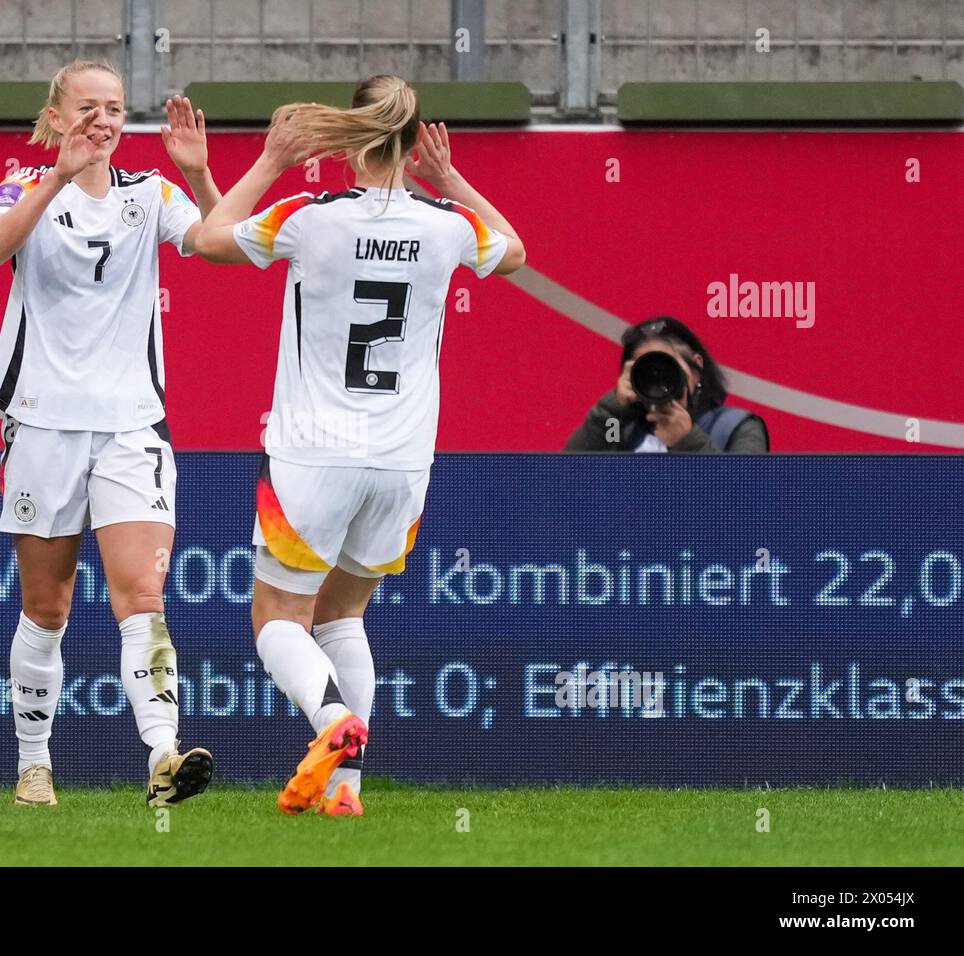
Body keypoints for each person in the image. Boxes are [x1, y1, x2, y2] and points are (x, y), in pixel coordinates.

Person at [194, 75, 525, 816]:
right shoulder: (448, 225)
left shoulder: (313, 216)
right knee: (344, 616)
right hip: (402, 459)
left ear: (352, 141)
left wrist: (273, 159)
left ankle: (332, 722)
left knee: (278, 615)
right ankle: (346, 792)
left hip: (314, 452)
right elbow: (518, 253)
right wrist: (451, 177)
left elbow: (208, 239)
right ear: (412, 145)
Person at [0, 59, 223, 808]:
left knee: (142, 593)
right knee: (46, 608)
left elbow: (223, 243)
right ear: (57, 117)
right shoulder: (23, 184)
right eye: (88, 108)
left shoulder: (151, 195)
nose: (104, 121)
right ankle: (33, 766)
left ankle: (162, 756)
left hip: (131, 427)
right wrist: (59, 174)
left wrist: (204, 174)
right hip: (44, 425)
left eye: (114, 108)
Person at [564, 317, 769, 452]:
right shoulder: (618, 428)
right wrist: (610, 410)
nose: (659, 379)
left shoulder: (735, 428)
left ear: (696, 368)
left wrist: (687, 441)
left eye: (667, 367)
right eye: (648, 371)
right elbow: (565, 483)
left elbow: (748, 502)